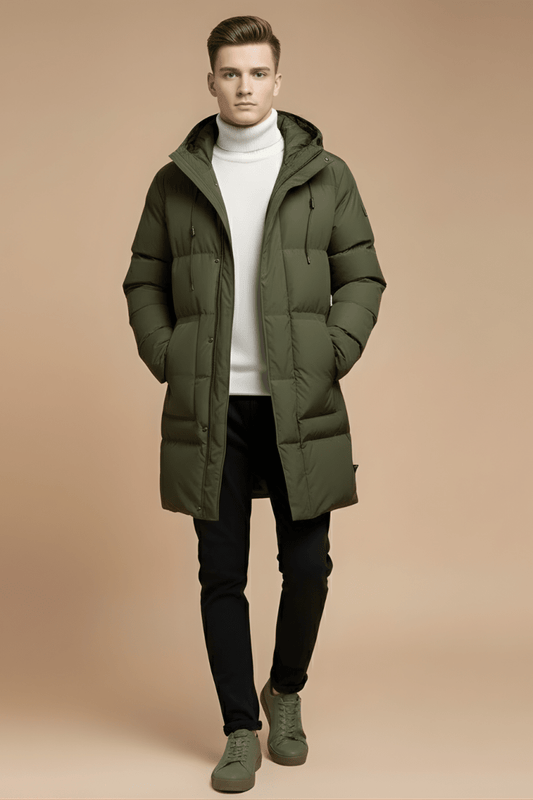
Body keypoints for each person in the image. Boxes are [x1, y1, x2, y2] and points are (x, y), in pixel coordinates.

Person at [122, 14, 386, 794]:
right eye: (231, 73)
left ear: (278, 80)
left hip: (298, 402)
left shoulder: (325, 175)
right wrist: (168, 356)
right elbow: (143, 279)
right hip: (212, 407)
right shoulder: (176, 180)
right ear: (211, 80)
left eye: (257, 73)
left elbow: (361, 276)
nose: (244, 87)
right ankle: (240, 728)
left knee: (308, 567)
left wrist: (330, 353)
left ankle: (285, 692)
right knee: (221, 573)